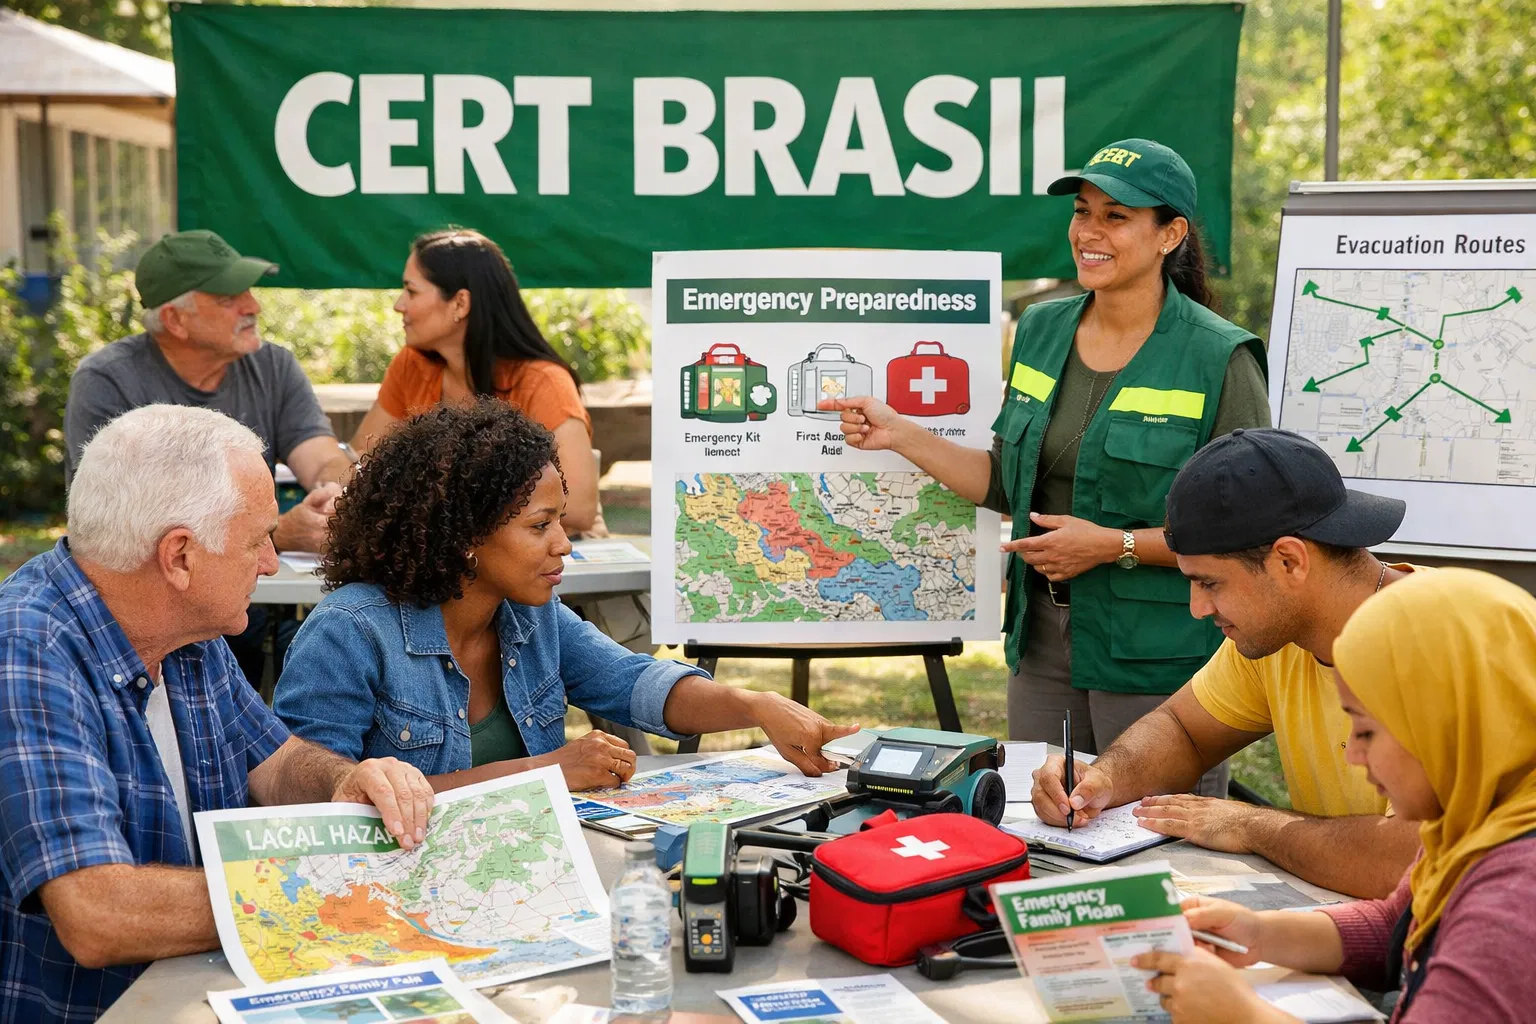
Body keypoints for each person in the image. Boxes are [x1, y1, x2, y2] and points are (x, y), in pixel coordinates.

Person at [824, 139, 1270, 774]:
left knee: (1157, 836)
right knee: (1045, 824)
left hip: (1157, 650)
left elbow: (1250, 534)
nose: (1090, 232)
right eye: (1083, 211)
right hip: (1041, 644)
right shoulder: (1039, 328)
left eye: (1116, 216)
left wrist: (1114, 545)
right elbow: (1008, 482)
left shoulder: (1220, 357)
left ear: (1170, 234)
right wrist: (900, 434)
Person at [0, 405, 434, 1024]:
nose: (270, 564)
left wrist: (342, 780)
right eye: (258, 539)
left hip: (202, 991)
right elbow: (97, 912)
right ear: (178, 556)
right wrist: (319, 891)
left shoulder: (186, 630)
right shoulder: (27, 650)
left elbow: (278, 764)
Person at [275, 401, 858, 790]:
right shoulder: (348, 630)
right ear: (463, 537)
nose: (563, 546)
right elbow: (326, 801)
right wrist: (541, 772)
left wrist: (754, 705)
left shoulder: (532, 615)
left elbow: (633, 683)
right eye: (538, 526)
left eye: (561, 522)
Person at [1031, 428, 1423, 898]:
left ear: (1289, 562)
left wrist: (1251, 825)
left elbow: (1408, 860)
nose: (1198, 608)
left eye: (1211, 584)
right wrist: (1104, 779)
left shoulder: (1442, 643)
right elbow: (1184, 729)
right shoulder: (1281, 632)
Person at [1132, 569, 1536, 1023]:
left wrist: (1244, 1014)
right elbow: (1400, 925)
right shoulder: (1487, 820)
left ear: (1448, 728)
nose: (1354, 757)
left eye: (1365, 730)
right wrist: (1260, 934)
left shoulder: (1512, 906)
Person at [64, 229, 355, 686]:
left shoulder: (273, 366)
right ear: (176, 320)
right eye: (229, 297)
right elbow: (119, 530)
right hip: (144, 613)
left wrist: (333, 493)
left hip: (238, 601)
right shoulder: (107, 379)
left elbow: (320, 456)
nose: (253, 306)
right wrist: (275, 535)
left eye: (249, 292)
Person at [348, 227, 600, 535]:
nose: (399, 305)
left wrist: (423, 504)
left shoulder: (543, 382)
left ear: (460, 304)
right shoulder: (410, 365)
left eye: (411, 291)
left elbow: (579, 508)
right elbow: (360, 466)